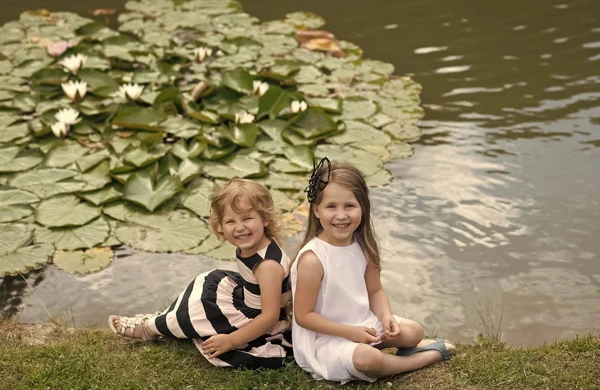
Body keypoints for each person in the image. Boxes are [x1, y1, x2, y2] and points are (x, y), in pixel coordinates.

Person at [290, 158, 455, 383]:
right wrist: (349, 333)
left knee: (413, 331)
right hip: (326, 339)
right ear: (317, 210)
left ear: (362, 208)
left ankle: (404, 348)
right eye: (331, 207)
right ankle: (420, 360)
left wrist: (386, 317)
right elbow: (304, 316)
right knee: (368, 360)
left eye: (349, 206)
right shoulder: (313, 259)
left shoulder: (362, 245)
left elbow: (375, 292)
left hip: (362, 324)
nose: (341, 215)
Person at [108, 178, 292, 369]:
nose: (239, 227)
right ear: (220, 224)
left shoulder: (267, 265)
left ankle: (150, 329)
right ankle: (165, 318)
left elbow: (269, 316)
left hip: (265, 324)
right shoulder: (254, 245)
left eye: (247, 218)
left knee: (200, 309)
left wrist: (231, 340)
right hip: (248, 299)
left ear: (265, 218)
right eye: (230, 221)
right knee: (207, 284)